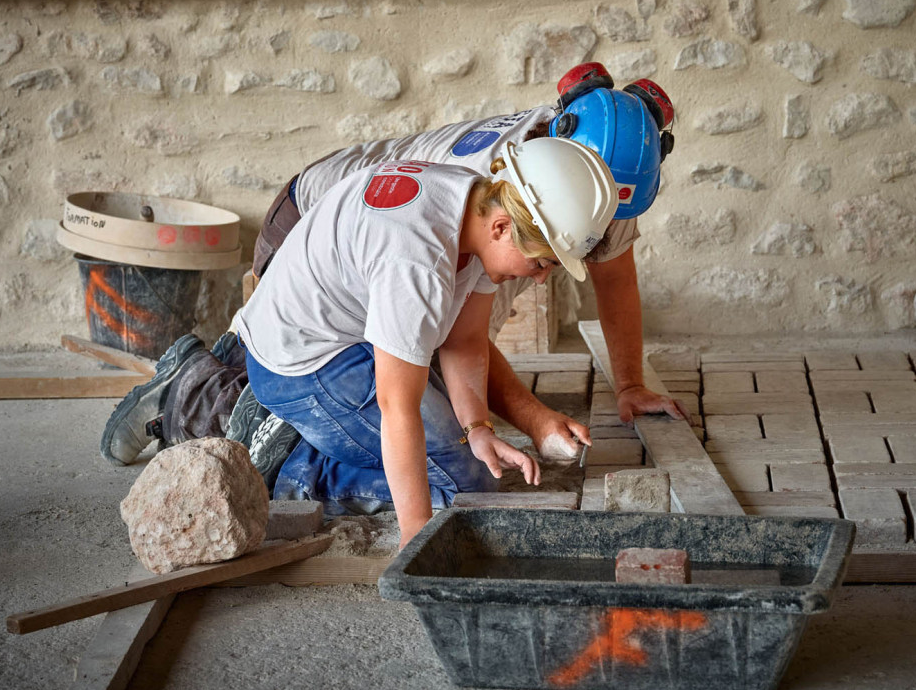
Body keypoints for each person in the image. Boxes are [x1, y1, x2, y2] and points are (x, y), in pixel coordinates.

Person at [101, 63, 688, 474]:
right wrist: (530, 420)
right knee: (402, 411)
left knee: (412, 394)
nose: (549, 274)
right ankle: (203, 400)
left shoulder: (585, 184)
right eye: (544, 261)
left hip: (356, 253)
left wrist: (631, 385)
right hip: (306, 221)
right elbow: (454, 342)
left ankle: (223, 365)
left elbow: (612, 271)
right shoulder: (492, 192)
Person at [236, 138, 618, 544]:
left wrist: (479, 429)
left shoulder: (475, 202)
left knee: (468, 453)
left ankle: (320, 437)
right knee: (466, 484)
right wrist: (415, 531)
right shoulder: (416, 260)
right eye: (541, 263)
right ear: (503, 228)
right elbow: (397, 404)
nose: (541, 278)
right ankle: (300, 471)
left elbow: (465, 341)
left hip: (340, 337)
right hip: (300, 365)